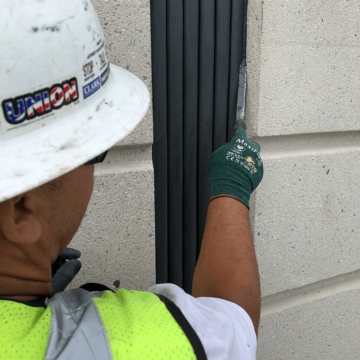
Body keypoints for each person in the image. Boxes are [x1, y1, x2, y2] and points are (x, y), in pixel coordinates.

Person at [0, 0, 263, 359]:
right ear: (20, 210)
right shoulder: (128, 345)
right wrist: (233, 182)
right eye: (94, 152)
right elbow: (235, 323)